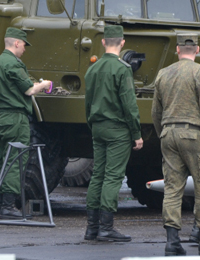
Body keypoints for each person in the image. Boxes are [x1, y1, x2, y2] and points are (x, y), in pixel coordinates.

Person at [152, 33, 200, 256]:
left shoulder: (163, 74)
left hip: (168, 133)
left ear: (177, 50)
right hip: (193, 134)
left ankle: (172, 241)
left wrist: (162, 135)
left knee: (172, 188)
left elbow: (155, 112)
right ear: (197, 49)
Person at [84, 25, 143, 242]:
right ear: (123, 43)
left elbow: (87, 102)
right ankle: (106, 228)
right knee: (113, 176)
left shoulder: (93, 68)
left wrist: (93, 125)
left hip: (98, 127)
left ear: (103, 42)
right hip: (117, 129)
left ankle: (92, 228)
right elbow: (129, 104)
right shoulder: (122, 68)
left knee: (97, 174)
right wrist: (136, 133)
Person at [0, 27, 52, 219]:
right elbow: (29, 90)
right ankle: (8, 206)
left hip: (0, 118)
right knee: (16, 160)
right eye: (24, 45)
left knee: (1, 160)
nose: (24, 49)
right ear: (16, 43)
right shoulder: (14, 64)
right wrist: (45, 84)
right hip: (16, 118)